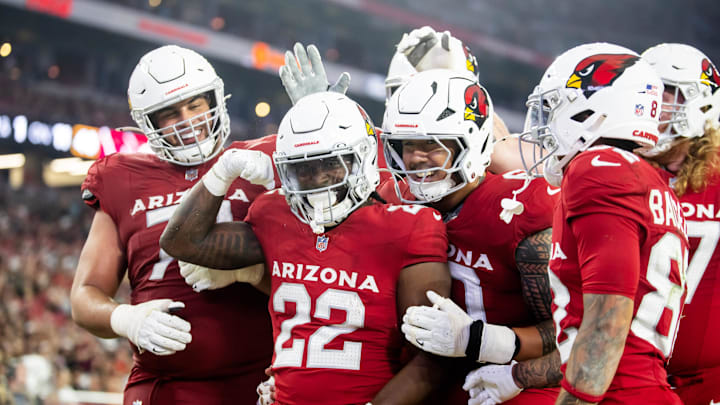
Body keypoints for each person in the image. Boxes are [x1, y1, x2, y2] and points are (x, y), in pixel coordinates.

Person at [159, 91, 453, 405]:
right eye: (304, 168)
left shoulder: (408, 225)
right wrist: (223, 170)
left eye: (330, 163)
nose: (318, 179)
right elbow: (182, 241)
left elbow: (433, 356)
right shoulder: (276, 214)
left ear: (363, 156)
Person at [70, 45, 278, 405]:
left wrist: (249, 273)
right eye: (169, 113)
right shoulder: (121, 178)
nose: (186, 120)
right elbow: (84, 296)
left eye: (195, 105)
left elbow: (311, 275)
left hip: (263, 382)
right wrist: (125, 318)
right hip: (163, 385)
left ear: (215, 100)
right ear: (147, 122)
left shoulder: (261, 163)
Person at [515, 42, 687, 404]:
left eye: (554, 109)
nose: (544, 125)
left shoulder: (598, 170)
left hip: (615, 395)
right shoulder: (652, 181)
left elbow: (607, 322)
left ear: (593, 110)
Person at [378, 68, 560, 404]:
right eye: (407, 145)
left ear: (473, 144)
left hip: (509, 383)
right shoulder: (390, 198)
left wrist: (484, 341)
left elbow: (571, 331)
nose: (416, 158)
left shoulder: (519, 210)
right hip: (427, 379)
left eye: (432, 144)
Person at [639, 43, 720, 405]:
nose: (649, 107)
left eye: (663, 95)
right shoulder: (621, 166)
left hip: (707, 379)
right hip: (633, 370)